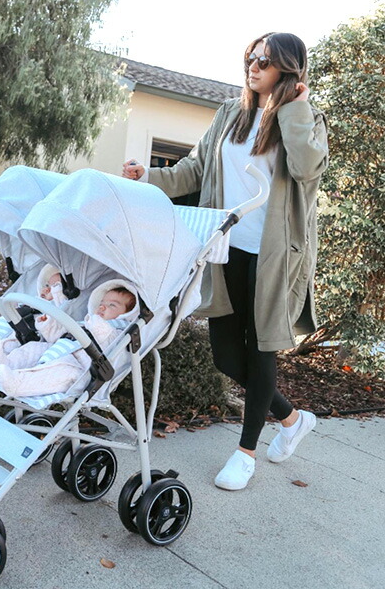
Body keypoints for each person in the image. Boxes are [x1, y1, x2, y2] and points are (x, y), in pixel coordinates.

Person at [122, 32, 328, 491]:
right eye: (251, 57)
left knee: (261, 348)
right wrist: (146, 176)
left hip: (274, 254)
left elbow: (306, 169)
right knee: (226, 356)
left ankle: (246, 453)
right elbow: (194, 170)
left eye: (265, 61)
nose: (254, 66)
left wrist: (294, 108)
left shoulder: (306, 119)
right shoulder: (230, 113)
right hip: (224, 247)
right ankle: (292, 418)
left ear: (289, 70)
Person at [0, 281, 138, 397]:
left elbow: (105, 336)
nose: (102, 307)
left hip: (79, 369)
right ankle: (0, 365)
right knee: (32, 348)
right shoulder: (85, 323)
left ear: (127, 314)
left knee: (60, 373)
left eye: (112, 305)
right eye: (101, 303)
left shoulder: (117, 333)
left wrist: (96, 322)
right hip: (56, 351)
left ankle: (18, 385)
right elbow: (60, 335)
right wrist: (47, 325)